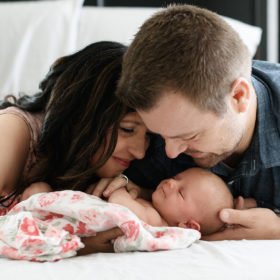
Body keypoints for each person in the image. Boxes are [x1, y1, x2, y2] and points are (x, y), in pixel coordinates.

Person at [115, 4, 280, 240]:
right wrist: (137, 189)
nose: (170, 152)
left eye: (189, 136)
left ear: (238, 97)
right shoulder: (164, 125)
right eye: (160, 135)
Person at [0, 41, 150, 253]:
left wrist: (135, 189)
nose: (140, 152)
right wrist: (77, 246)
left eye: (149, 135)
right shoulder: (14, 131)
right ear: (85, 116)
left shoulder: (97, 163)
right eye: (127, 129)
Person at [109, 168, 236, 235]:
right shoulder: (156, 211)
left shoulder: (155, 220)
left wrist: (119, 188)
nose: (171, 182)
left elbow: (117, 201)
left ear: (188, 225)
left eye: (180, 193)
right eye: (176, 178)